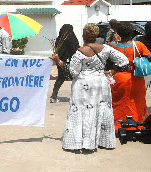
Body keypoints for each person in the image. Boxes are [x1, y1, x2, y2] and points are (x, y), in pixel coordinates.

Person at [50, 23, 129, 152]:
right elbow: (124, 61)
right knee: (100, 111)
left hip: (84, 85)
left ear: (83, 35)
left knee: (82, 113)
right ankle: (102, 141)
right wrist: (112, 71)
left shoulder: (80, 52)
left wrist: (58, 60)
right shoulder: (106, 48)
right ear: (96, 35)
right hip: (101, 83)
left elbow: (73, 72)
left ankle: (79, 142)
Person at [109, 22, 151, 129]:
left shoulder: (113, 46)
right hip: (135, 78)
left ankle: (118, 124)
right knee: (137, 102)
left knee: (117, 102)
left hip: (118, 78)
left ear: (119, 33)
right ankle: (137, 124)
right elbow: (149, 56)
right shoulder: (138, 45)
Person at [50, 24, 79, 103]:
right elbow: (76, 49)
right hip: (71, 62)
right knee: (75, 79)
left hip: (60, 61)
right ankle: (76, 97)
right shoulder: (71, 37)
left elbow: (57, 50)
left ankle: (54, 96)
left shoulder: (59, 39)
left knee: (60, 78)